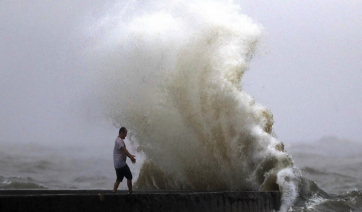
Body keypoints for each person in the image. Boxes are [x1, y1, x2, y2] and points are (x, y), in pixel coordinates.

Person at [113, 127, 136, 194]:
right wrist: (131, 156)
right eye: (125, 133)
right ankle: (130, 192)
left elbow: (123, 152)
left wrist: (130, 157)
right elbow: (124, 150)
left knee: (119, 179)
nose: (126, 135)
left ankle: (114, 192)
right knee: (129, 176)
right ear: (122, 133)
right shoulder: (119, 141)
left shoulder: (117, 140)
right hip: (121, 164)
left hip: (117, 164)